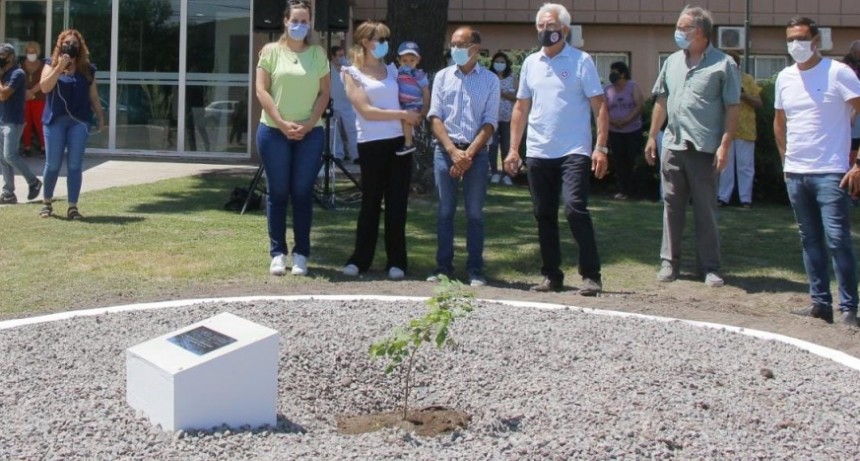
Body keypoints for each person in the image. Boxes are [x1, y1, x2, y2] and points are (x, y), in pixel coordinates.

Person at [503, 3, 609, 296]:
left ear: (564, 29)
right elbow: (521, 107)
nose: (545, 31)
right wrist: (514, 149)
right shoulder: (530, 63)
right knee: (543, 213)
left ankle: (591, 275)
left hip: (574, 150)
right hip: (538, 151)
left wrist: (601, 147)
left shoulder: (581, 60)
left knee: (575, 208)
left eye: (551, 26)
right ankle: (552, 275)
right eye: (540, 26)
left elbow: (599, 106)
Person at [644, 6, 740, 287]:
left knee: (705, 209)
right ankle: (669, 263)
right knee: (671, 205)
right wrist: (652, 136)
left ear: (699, 32)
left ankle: (709, 267)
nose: (677, 32)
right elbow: (662, 100)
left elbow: (732, 107)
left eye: (682, 27)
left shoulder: (724, 64)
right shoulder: (672, 61)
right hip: (673, 144)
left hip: (705, 147)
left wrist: (725, 145)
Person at [774, 17, 860, 327]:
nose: (794, 44)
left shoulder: (839, 73)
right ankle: (820, 304)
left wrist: (858, 163)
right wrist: (786, 161)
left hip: (831, 172)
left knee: (838, 240)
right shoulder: (784, 77)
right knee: (809, 240)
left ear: (815, 41)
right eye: (789, 39)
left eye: (800, 38)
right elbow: (779, 123)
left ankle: (849, 308)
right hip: (796, 173)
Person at [340, 21, 422, 280]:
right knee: (371, 203)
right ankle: (360, 259)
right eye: (379, 39)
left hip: (399, 141)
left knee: (397, 203)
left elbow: (413, 92)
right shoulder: (351, 73)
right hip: (371, 144)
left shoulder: (393, 70)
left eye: (386, 39)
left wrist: (416, 111)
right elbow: (365, 111)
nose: (384, 44)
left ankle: (397, 261)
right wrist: (402, 114)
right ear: (365, 41)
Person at [254, 0, 330, 276]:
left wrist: (308, 124)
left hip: (310, 134)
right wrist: (282, 123)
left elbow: (324, 93)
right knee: (277, 193)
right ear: (285, 21)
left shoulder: (318, 54)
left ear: (310, 24)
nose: (299, 25)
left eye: (304, 21)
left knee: (301, 193)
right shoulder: (271, 52)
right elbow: (262, 91)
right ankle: (277, 253)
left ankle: (301, 253)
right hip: (273, 132)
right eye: (295, 20)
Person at [426, 26, 499, 287]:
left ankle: (475, 269)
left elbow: (490, 123)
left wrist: (468, 154)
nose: (454, 48)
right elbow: (434, 117)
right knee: (445, 212)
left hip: (476, 155)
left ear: (475, 48)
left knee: (474, 213)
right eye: (453, 44)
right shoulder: (443, 77)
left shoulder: (490, 80)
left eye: (460, 44)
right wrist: (452, 151)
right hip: (445, 151)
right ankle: (443, 267)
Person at [38, 30, 105, 219]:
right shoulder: (50, 64)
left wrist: (100, 118)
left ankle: (73, 207)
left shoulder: (87, 69)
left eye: (75, 43)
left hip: (79, 121)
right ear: (60, 45)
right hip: (55, 121)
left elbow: (93, 96)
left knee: (75, 165)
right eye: (67, 42)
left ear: (80, 47)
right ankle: (47, 203)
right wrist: (60, 67)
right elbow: (44, 87)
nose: (71, 46)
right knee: (53, 165)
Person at [718, 51, 762, 208]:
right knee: (724, 165)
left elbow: (758, 102)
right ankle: (723, 197)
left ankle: (745, 199)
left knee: (745, 165)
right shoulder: (719, 79)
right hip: (725, 128)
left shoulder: (748, 80)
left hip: (745, 128)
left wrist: (743, 96)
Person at [0, 43, 42, 205]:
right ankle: (8, 193)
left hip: (13, 121)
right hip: (2, 119)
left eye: (2, 55)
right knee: (3, 159)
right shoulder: (4, 73)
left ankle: (33, 182)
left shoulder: (17, 73)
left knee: (10, 155)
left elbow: (4, 95)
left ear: (10, 56)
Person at [604, 61, 644, 200]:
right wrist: (613, 121)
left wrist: (627, 120)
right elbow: (603, 109)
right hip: (615, 132)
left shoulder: (633, 87)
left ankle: (635, 191)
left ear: (622, 73)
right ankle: (622, 190)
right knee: (619, 162)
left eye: (614, 72)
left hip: (632, 131)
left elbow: (639, 105)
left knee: (632, 160)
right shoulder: (607, 89)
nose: (611, 75)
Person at [487, 51, 517, 186]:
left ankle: (506, 175)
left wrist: (502, 93)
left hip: (508, 118)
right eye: (497, 62)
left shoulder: (512, 77)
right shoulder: (488, 77)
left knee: (506, 146)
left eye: (502, 62)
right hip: (492, 117)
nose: (500, 64)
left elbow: (517, 97)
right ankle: (494, 172)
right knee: (492, 146)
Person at [395, 41, 429, 155]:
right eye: (404, 60)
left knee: (406, 120)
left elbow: (425, 90)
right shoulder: (398, 73)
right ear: (399, 60)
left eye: (412, 60)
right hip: (403, 104)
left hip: (415, 104)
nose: (408, 63)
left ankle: (409, 143)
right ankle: (408, 138)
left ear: (418, 60)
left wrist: (425, 108)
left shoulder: (418, 74)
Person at [329, 45, 359, 162]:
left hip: (348, 104)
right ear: (332, 57)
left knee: (352, 130)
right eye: (339, 55)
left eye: (343, 55)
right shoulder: (327, 69)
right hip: (333, 103)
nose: (342, 58)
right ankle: (337, 155)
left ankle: (355, 155)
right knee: (334, 131)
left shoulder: (349, 67)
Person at [20, 41, 45, 157]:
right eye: (29, 52)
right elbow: (17, 80)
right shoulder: (20, 65)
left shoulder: (43, 65)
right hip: (23, 99)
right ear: (25, 53)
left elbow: (44, 81)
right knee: (26, 123)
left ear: (38, 52)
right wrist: (25, 92)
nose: (31, 54)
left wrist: (32, 91)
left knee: (40, 123)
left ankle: (44, 147)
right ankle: (27, 147)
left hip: (39, 98)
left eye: (34, 51)